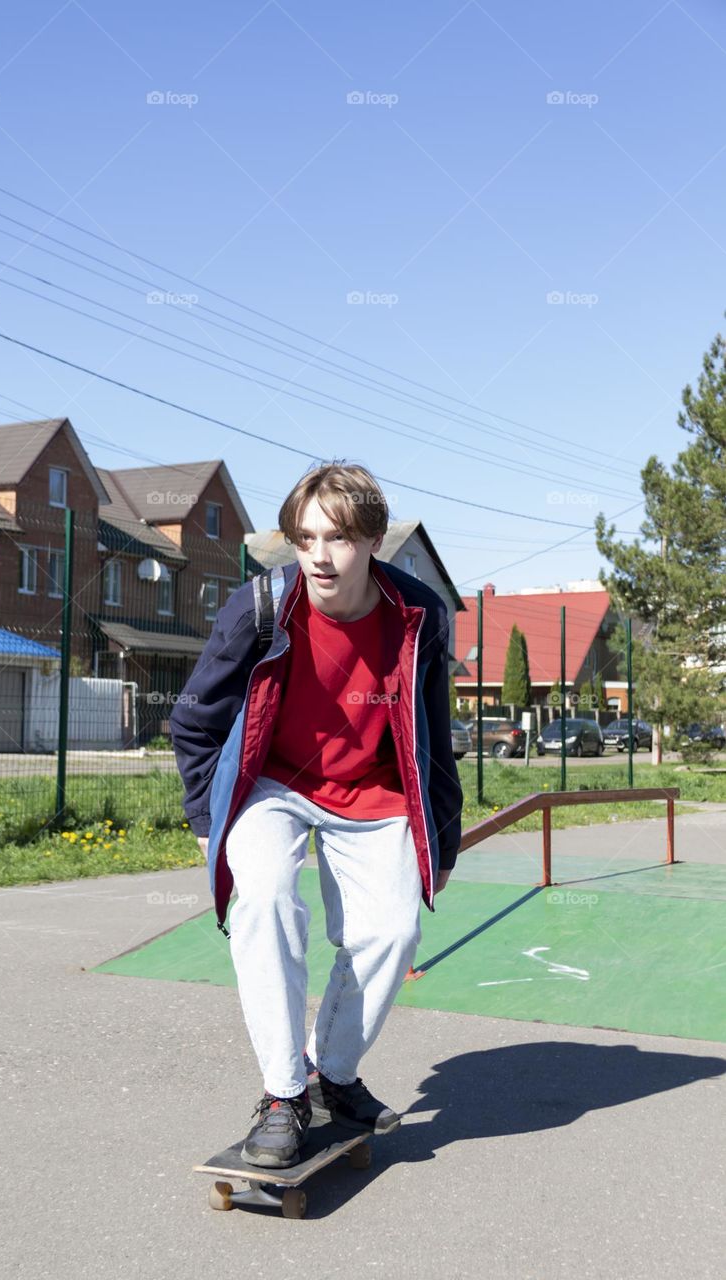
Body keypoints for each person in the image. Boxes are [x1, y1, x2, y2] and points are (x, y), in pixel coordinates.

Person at [169, 461, 462, 1168]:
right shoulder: (261, 606)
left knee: (390, 932)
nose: (320, 557)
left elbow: (432, 733)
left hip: (373, 789)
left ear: (371, 540)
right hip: (273, 783)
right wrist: (208, 821)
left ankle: (332, 1072)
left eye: (336, 539)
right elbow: (193, 720)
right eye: (304, 539)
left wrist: (442, 843)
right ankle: (282, 1094)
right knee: (265, 897)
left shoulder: (417, 614)